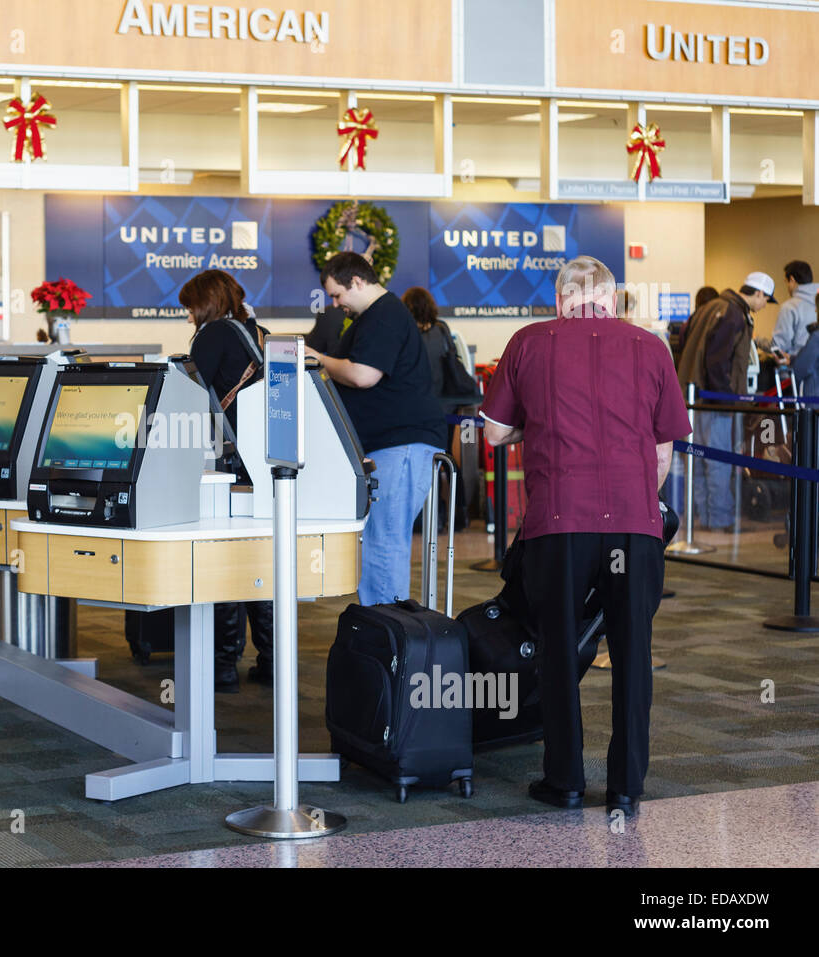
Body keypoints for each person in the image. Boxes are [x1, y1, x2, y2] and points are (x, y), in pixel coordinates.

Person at [480, 255, 691, 818]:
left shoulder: (528, 341)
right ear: (614, 299)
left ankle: (565, 780)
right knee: (632, 653)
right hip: (634, 523)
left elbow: (496, 432)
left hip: (559, 522)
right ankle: (625, 787)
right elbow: (664, 450)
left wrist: (540, 421)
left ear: (559, 299)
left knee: (557, 648)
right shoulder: (651, 348)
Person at [306, 252, 447, 605]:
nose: (336, 305)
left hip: (400, 447)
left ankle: (389, 645)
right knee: (380, 545)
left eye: (338, 295)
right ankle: (385, 639)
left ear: (356, 281)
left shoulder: (384, 316)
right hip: (394, 447)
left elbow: (363, 374)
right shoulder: (378, 317)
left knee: (384, 547)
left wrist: (318, 359)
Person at [178, 269, 274, 691]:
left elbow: (193, 400)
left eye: (188, 308)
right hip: (268, 463)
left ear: (205, 303)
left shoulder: (211, 336)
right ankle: (273, 661)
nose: (186, 317)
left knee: (227, 558)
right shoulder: (260, 331)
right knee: (262, 561)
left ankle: (223, 665)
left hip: (229, 462)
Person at [677, 272, 776, 530]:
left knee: (698, 459)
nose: (765, 305)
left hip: (694, 399)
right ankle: (719, 519)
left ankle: (701, 517)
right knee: (718, 461)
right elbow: (717, 361)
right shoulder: (733, 313)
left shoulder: (710, 306)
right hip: (716, 402)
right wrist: (725, 399)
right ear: (757, 293)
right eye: (766, 299)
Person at [771, 261, 817, 359]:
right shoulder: (817, 301)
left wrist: (758, 341)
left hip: (798, 367)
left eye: (786, 282)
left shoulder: (789, 307)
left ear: (792, 280)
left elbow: (780, 346)